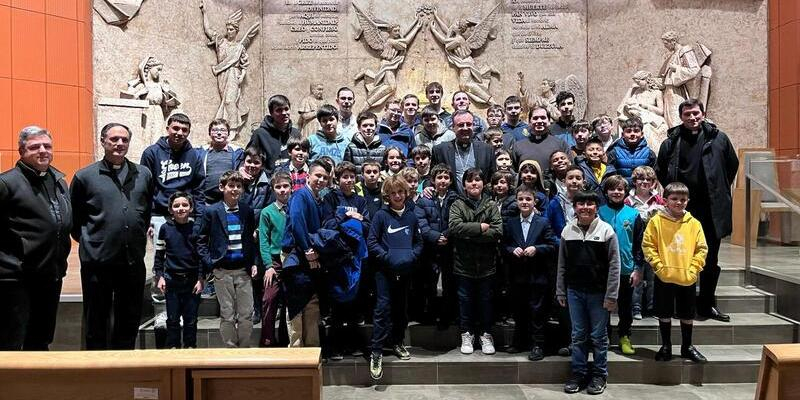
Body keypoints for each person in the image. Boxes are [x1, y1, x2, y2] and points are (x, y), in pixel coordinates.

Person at [70, 123, 154, 350]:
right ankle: (97, 374)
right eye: (114, 139)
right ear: (103, 141)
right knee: (96, 321)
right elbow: (75, 221)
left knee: (129, 320)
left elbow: (144, 213)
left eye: (124, 140)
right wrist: (96, 240)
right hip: (98, 262)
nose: (119, 144)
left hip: (132, 261)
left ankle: (124, 368)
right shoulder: (85, 176)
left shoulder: (143, 174)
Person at [656, 99, 738, 322]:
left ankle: (707, 305)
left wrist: (717, 188)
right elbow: (661, 170)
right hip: (682, 211)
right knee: (679, 256)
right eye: (687, 114)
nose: (692, 118)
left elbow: (732, 166)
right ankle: (680, 305)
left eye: (695, 113)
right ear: (680, 117)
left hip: (712, 209)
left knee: (710, 259)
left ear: (703, 114)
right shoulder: (671, 141)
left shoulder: (719, 138)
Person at [0, 126, 72, 351]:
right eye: (34, 147)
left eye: (47, 146)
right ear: (21, 151)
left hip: (51, 274)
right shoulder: (6, 183)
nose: (43, 151)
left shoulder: (58, 180)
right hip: (16, 278)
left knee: (41, 339)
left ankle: (37, 386)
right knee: (11, 341)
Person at [556, 191, 620, 395]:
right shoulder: (568, 231)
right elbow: (562, 264)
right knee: (578, 335)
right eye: (580, 203)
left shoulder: (606, 230)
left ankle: (600, 374)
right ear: (574, 207)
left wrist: (611, 295)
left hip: (599, 293)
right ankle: (578, 373)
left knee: (599, 337)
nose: (585, 207)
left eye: (590, 203)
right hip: (574, 291)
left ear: (596, 207)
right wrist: (561, 291)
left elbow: (614, 266)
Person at [642, 182, 708, 363]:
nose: (679, 203)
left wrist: (694, 268)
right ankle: (666, 346)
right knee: (664, 312)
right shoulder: (656, 221)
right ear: (665, 201)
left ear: (688, 201)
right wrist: (658, 267)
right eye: (674, 199)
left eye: (683, 199)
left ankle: (687, 346)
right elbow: (648, 245)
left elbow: (701, 248)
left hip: (687, 276)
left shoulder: (694, 223)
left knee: (687, 313)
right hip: (664, 275)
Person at [367, 174, 424, 380]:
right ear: (387, 196)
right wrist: (387, 258)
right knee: (383, 310)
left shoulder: (411, 216)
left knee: (402, 309)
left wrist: (412, 256)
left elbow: (419, 242)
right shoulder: (381, 216)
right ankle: (377, 352)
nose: (398, 196)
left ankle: (398, 342)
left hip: (405, 272)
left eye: (401, 192)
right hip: (384, 272)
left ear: (406, 193)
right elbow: (372, 242)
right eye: (393, 193)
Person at [197, 171, 258, 348]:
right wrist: (210, 262)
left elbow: (250, 240)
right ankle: (231, 348)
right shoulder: (212, 211)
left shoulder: (247, 210)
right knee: (227, 312)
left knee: (246, 312)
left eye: (238, 186)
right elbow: (201, 239)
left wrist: (253, 262)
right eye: (231, 186)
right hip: (222, 270)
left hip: (242, 270)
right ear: (222, 187)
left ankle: (244, 348)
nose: (235, 189)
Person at [449, 168, 503, 355]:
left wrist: (469, 234)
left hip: (487, 264)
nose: (474, 183)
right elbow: (455, 228)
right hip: (463, 264)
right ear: (464, 185)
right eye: (470, 181)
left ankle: (486, 334)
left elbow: (497, 231)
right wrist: (480, 227)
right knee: (465, 302)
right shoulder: (457, 204)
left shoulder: (491, 204)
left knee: (486, 301)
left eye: (478, 180)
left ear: (483, 184)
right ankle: (467, 333)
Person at [503, 184, 558, 360]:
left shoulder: (543, 222)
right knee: (519, 310)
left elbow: (551, 245)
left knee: (537, 312)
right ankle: (518, 342)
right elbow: (503, 245)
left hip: (538, 275)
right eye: (521, 199)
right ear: (516, 201)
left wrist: (537, 248)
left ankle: (537, 345)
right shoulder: (511, 223)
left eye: (528, 199)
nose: (524, 202)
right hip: (518, 275)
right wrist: (512, 250)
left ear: (535, 202)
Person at [282, 160, 331, 347]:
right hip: (297, 254)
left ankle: (312, 348)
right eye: (318, 175)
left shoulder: (319, 199)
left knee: (312, 303)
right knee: (296, 305)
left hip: (312, 256)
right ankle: (296, 351)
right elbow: (297, 222)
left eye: (325, 178)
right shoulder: (301, 195)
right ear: (308, 176)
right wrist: (307, 248)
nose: (321, 180)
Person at [140, 113, 206, 245]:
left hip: (187, 215)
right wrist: (146, 220)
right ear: (167, 128)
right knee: (160, 258)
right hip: (159, 215)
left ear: (188, 132)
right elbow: (144, 189)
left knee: (185, 258)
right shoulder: (151, 153)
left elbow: (199, 189)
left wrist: (199, 220)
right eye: (175, 128)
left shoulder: (195, 155)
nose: (179, 133)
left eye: (184, 130)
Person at [598, 175, 644, 356]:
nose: (616, 192)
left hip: (626, 268)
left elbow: (639, 244)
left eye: (620, 189)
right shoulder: (599, 212)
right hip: (603, 269)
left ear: (625, 192)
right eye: (612, 189)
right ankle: (605, 335)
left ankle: (624, 335)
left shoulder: (633, 215)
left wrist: (637, 268)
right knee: (604, 305)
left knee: (625, 305)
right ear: (606, 192)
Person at [153, 192, 203, 349]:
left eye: (184, 205)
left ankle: (190, 349)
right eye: (176, 206)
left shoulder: (196, 228)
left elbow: (202, 256)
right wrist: (160, 276)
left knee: (191, 319)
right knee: (173, 319)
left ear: (191, 208)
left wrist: (201, 278)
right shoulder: (165, 229)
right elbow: (159, 255)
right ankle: (173, 350)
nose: (181, 208)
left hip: (192, 281)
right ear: (170, 209)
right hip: (172, 280)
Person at [626, 166, 665, 319]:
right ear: (635, 181)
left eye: (649, 179)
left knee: (653, 277)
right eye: (641, 179)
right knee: (637, 275)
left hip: (654, 244)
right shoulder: (628, 200)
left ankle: (651, 306)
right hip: (636, 244)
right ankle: (636, 307)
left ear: (653, 183)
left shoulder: (658, 199)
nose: (645, 182)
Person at [258, 171, 292, 347]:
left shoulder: (295, 207)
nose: (282, 190)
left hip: (292, 259)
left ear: (291, 187)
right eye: (278, 187)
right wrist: (268, 265)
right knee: (269, 299)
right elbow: (263, 241)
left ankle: (286, 339)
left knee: (289, 300)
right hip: (274, 261)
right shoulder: (267, 212)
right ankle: (267, 340)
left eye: (285, 186)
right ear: (273, 189)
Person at [431, 110, 496, 193]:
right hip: (451, 201)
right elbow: (432, 176)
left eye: (469, 124)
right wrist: (427, 188)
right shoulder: (440, 150)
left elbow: (493, 178)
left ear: (473, 126)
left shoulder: (487, 149)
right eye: (461, 125)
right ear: (453, 127)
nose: (465, 128)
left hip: (480, 201)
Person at [245, 94, 301, 174]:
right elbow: (248, 156)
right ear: (271, 113)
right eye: (279, 110)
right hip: (267, 181)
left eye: (286, 109)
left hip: (291, 180)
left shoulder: (296, 133)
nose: (284, 113)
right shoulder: (259, 134)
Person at [512, 106, 570, 177]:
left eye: (543, 118)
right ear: (529, 122)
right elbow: (513, 172)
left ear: (549, 121)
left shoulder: (560, 144)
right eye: (535, 118)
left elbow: (570, 169)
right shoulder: (518, 146)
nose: (539, 121)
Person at [198, 119, 242, 205]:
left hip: (229, 200)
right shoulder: (201, 152)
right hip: (206, 201)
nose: (219, 133)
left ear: (228, 134)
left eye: (223, 130)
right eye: (214, 130)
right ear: (209, 133)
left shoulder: (237, 152)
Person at [606, 117, 657, 186]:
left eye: (636, 131)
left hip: (643, 191)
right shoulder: (614, 152)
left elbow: (654, 175)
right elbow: (610, 176)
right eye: (628, 131)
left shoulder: (649, 153)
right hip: (621, 192)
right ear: (622, 134)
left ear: (642, 134)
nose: (632, 134)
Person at [546, 165, 585, 236]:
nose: (574, 181)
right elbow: (547, 227)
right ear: (564, 182)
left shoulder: (589, 202)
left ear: (584, 183)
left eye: (578, 178)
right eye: (570, 178)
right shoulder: (554, 203)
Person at [575, 137, 616, 203]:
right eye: (591, 150)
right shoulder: (580, 169)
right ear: (584, 153)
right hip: (587, 205)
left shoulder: (611, 170)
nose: (595, 152)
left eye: (598, 150)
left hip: (607, 207)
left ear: (603, 152)